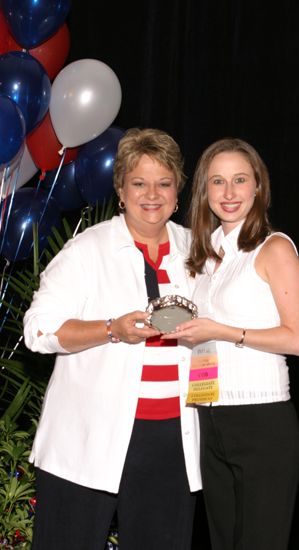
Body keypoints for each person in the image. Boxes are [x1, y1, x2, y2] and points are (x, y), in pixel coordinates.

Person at [23, 128, 201, 550]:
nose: (152, 194)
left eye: (164, 182)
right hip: (87, 438)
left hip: (172, 442)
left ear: (178, 190)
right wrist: (110, 330)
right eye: (139, 182)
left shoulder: (198, 251)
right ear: (121, 190)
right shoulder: (87, 249)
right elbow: (38, 330)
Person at [163, 137, 299, 550]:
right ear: (205, 191)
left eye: (240, 180)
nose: (229, 193)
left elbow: (298, 339)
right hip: (211, 419)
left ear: (258, 186)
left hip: (262, 425)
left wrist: (221, 331)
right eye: (217, 182)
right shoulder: (209, 259)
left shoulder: (274, 248)